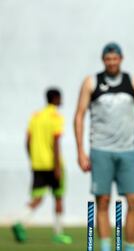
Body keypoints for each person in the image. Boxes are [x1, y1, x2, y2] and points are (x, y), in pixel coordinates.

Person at [74, 42, 134, 251]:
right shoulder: (91, 83)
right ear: (103, 60)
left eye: (114, 58)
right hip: (101, 150)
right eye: (108, 59)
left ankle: (129, 248)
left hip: (128, 151)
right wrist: (80, 151)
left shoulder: (132, 82)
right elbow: (79, 115)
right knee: (103, 201)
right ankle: (107, 247)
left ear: (120, 59)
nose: (111, 62)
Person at [11, 88, 72, 244]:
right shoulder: (56, 117)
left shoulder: (35, 116)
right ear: (56, 98)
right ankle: (58, 234)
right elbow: (56, 142)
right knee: (58, 198)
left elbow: (27, 141)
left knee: (37, 198)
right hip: (53, 164)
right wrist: (57, 166)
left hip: (38, 165)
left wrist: (32, 159)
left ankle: (20, 221)